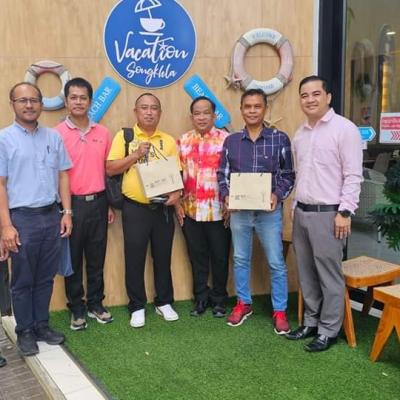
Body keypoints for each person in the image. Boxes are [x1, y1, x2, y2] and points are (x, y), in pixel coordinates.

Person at [286, 75, 362, 352]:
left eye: (316, 94)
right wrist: (294, 206)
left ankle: (329, 330)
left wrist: (345, 212)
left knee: (329, 274)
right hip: (302, 212)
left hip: (330, 214)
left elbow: (353, 175)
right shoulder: (300, 133)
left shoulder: (345, 129)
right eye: (304, 95)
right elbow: (300, 175)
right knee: (306, 273)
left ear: (328, 97)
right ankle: (311, 322)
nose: (310, 100)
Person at [0, 82, 72, 356]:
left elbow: (63, 175)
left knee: (45, 277)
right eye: (23, 100)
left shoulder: (53, 137)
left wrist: (67, 213)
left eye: (33, 100)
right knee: (22, 280)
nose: (29, 105)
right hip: (21, 219)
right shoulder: (4, 139)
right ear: (12, 104)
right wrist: (6, 226)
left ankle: (42, 325)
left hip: (51, 215)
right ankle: (25, 331)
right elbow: (0, 185)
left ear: (41, 104)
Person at [217, 88, 295, 333]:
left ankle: (280, 310)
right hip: (240, 212)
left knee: (276, 261)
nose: (252, 111)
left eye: (257, 106)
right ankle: (244, 303)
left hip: (268, 212)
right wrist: (226, 196)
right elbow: (222, 175)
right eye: (247, 106)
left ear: (265, 109)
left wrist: (277, 195)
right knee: (240, 259)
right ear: (241, 110)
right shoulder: (231, 141)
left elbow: (288, 175)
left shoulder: (280, 138)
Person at [106, 93, 181, 328]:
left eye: (154, 108)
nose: (149, 112)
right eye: (144, 108)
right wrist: (136, 154)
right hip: (135, 208)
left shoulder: (168, 140)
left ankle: (164, 302)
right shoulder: (125, 136)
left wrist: (177, 195)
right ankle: (137, 306)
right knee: (134, 258)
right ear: (136, 111)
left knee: (163, 257)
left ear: (160, 113)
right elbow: (110, 169)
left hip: (162, 210)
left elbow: (176, 175)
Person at [55, 78, 114, 331]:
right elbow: (57, 175)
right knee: (73, 259)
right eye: (73, 97)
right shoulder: (56, 134)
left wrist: (108, 204)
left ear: (90, 101)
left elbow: (107, 171)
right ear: (66, 101)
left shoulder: (103, 133)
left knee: (96, 257)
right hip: (71, 206)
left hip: (99, 203)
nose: (78, 102)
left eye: (83, 98)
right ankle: (77, 307)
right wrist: (65, 211)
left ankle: (96, 304)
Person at [175, 96, 231, 318]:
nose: (201, 117)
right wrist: (177, 203)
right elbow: (176, 175)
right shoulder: (183, 141)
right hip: (191, 211)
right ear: (191, 117)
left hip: (219, 211)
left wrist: (231, 204)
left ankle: (219, 300)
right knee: (197, 258)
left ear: (214, 116)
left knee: (220, 257)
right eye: (197, 113)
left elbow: (234, 173)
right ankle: (200, 298)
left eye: (206, 113)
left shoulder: (227, 140)